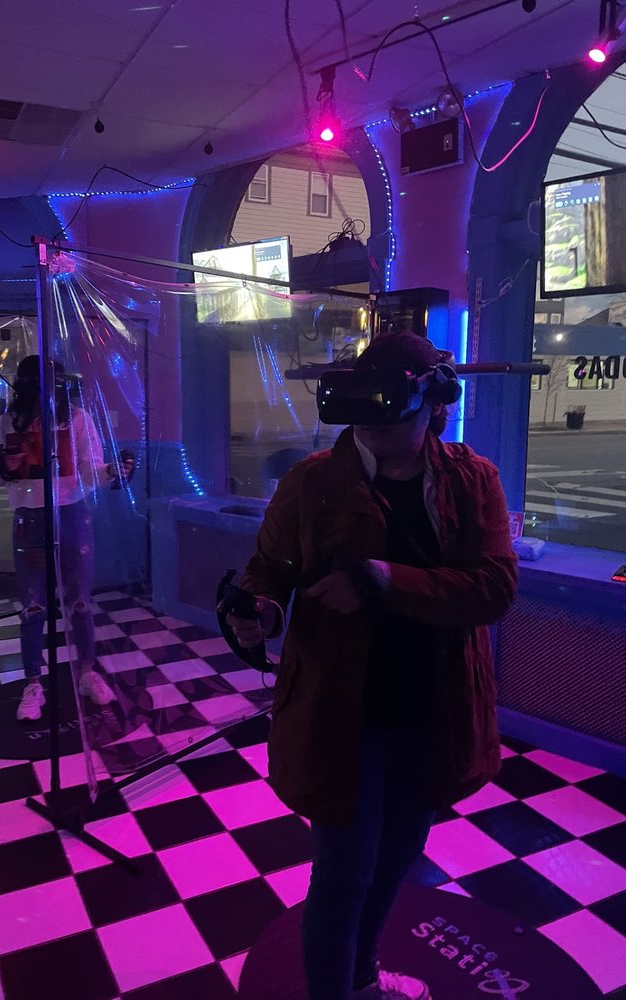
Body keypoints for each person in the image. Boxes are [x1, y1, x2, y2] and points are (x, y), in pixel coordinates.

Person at [227, 332, 518, 1000]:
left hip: (433, 705)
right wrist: (259, 612)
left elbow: (495, 588)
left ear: (435, 405)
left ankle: (361, 977)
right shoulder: (311, 483)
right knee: (343, 872)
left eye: (385, 408)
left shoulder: (473, 480)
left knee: (397, 855)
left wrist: (385, 581)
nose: (369, 423)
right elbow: (270, 568)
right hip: (341, 712)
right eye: (360, 407)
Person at [0, 355, 133, 722]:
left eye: (49, 385)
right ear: (22, 387)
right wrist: (4, 467)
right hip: (29, 518)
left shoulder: (78, 419)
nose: (43, 393)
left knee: (79, 600)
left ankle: (87, 672)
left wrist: (112, 471)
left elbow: (89, 470)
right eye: (35, 385)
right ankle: (33, 682)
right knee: (32, 604)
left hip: (71, 513)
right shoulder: (6, 424)